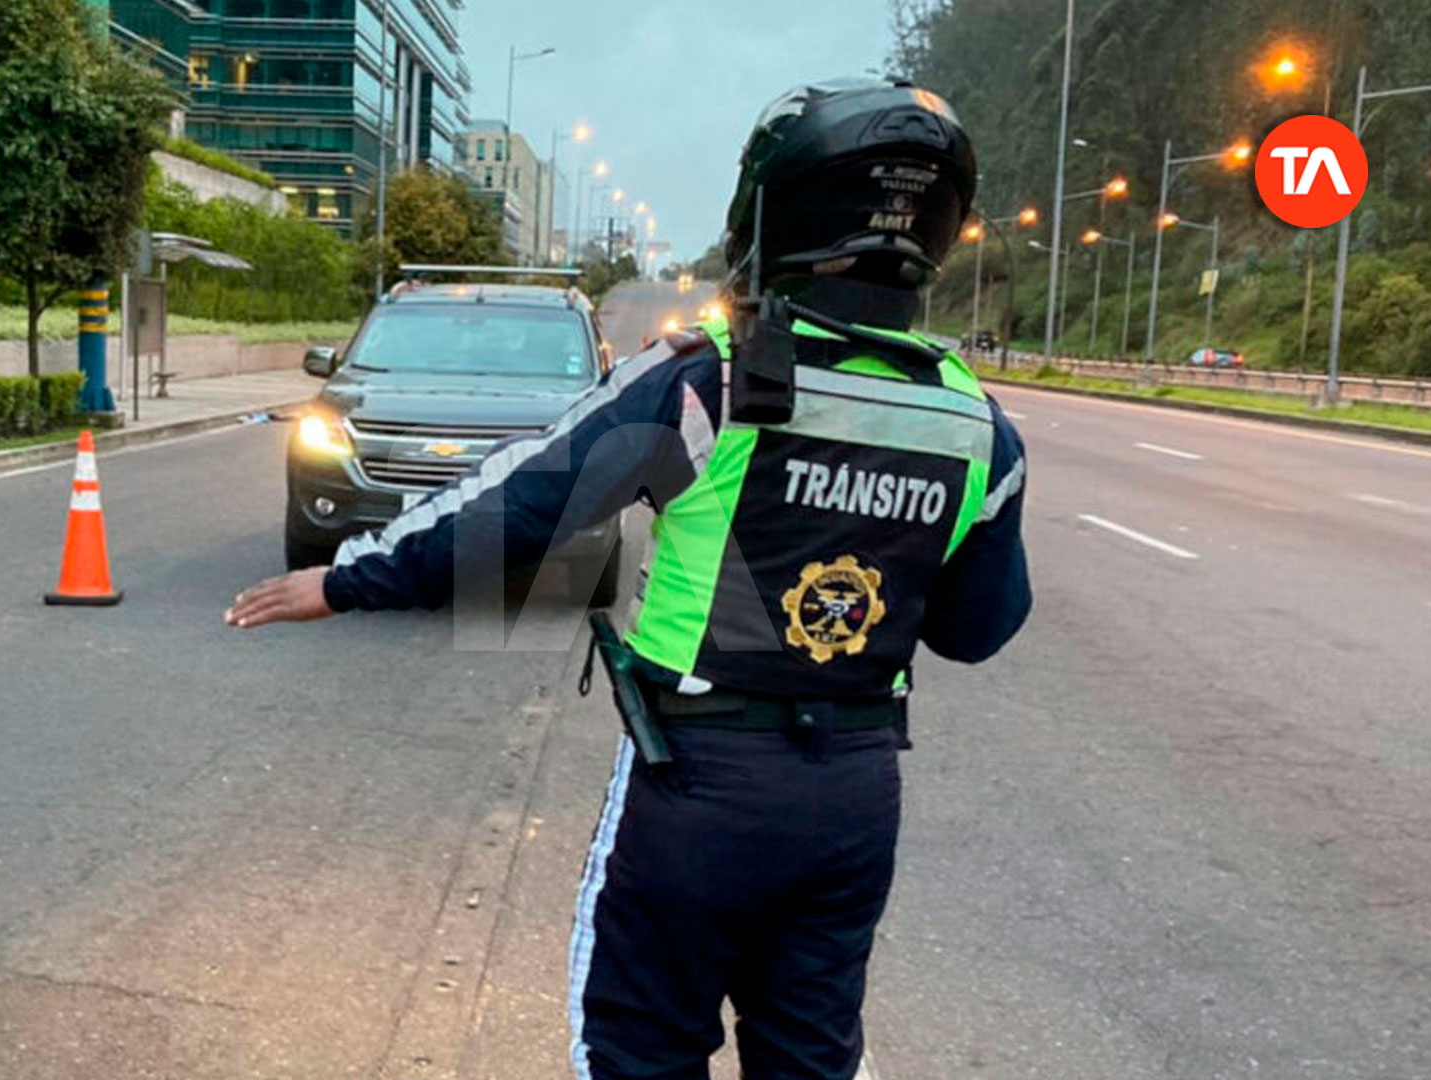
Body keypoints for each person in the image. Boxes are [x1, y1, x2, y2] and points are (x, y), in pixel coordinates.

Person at [226, 77, 1031, 1080]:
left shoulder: (717, 378)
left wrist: (348, 580)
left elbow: (518, 504)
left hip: (703, 787)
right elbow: (976, 627)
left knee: (640, 1050)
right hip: (857, 799)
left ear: (772, 212)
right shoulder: (977, 424)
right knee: (811, 1056)